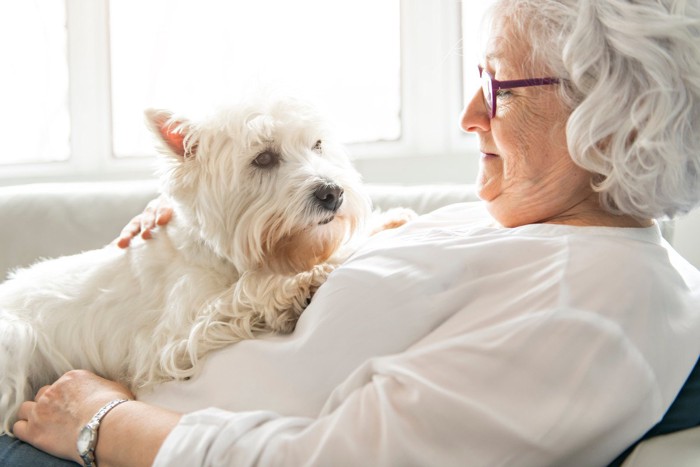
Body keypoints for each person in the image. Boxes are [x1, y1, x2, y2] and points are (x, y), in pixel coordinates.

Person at [3, 0, 700, 465]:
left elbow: (336, 458)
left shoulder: (596, 307)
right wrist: (193, 223)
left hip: (97, 438)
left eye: (498, 89)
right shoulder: (539, 223)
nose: (466, 115)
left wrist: (103, 425)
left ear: (615, 119)